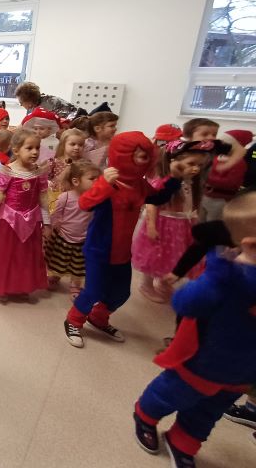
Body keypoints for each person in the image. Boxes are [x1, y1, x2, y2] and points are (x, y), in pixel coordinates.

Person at [132, 191, 256, 468]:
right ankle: (145, 415)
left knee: (208, 413)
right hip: (202, 363)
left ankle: (182, 442)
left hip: (243, 373)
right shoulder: (226, 278)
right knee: (170, 394)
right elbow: (184, 303)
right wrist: (214, 280)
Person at [63, 132, 182, 348]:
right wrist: (103, 184)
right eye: (141, 156)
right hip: (99, 250)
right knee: (94, 291)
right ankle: (73, 320)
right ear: (125, 156)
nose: (147, 161)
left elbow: (158, 197)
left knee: (121, 293)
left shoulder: (139, 184)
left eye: (147, 156)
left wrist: (175, 177)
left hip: (122, 253)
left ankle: (98, 317)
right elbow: (85, 204)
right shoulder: (109, 183)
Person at [132, 140, 213, 303]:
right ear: (173, 161)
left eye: (199, 165)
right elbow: (152, 204)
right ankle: (146, 284)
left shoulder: (190, 182)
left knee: (174, 255)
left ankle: (163, 281)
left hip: (182, 225)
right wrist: (151, 225)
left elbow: (190, 204)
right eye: (191, 164)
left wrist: (194, 220)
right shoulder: (163, 183)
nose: (196, 169)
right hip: (164, 225)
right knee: (155, 255)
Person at [0, 128, 51, 302]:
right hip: (8, 222)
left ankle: (21, 286)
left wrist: (47, 223)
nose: (35, 152)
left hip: (31, 222)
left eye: (37, 148)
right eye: (29, 148)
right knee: (5, 255)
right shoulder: (7, 170)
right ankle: (0, 286)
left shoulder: (39, 172)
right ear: (16, 150)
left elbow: (43, 199)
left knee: (25, 256)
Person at [45, 160, 101, 299]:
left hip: (84, 239)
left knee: (78, 266)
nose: (97, 181)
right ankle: (56, 276)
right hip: (63, 236)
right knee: (58, 260)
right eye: (92, 178)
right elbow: (56, 214)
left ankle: (75, 285)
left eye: (98, 178)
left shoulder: (97, 199)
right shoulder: (65, 197)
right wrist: (52, 227)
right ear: (76, 181)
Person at [201, 129, 252, 222]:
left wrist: (208, 178)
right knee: (200, 220)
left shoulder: (238, 163)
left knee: (213, 222)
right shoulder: (217, 158)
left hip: (220, 198)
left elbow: (231, 182)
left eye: (225, 143)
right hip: (206, 196)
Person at [46, 128, 87, 210]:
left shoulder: (84, 164)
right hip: (56, 199)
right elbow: (46, 180)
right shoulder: (54, 162)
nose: (77, 147)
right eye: (73, 144)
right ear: (63, 145)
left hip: (77, 201)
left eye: (80, 145)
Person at [14, 81, 85, 121]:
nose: (21, 105)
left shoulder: (46, 105)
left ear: (29, 101)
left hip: (79, 118)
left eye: (21, 103)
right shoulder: (37, 102)